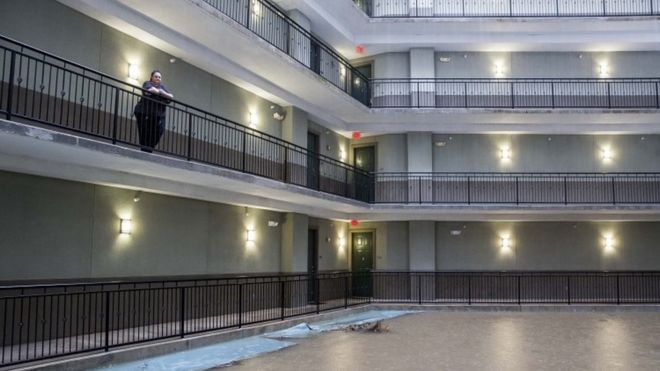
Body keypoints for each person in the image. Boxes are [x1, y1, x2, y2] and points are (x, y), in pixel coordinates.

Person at [133, 70, 174, 152]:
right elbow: (150, 90)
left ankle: (148, 149)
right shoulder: (147, 83)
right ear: (151, 77)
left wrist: (161, 92)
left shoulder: (163, 87)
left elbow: (171, 97)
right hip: (143, 112)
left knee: (159, 131)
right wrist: (161, 94)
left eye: (159, 77)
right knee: (144, 132)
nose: (158, 78)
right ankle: (145, 150)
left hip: (157, 115)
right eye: (156, 76)